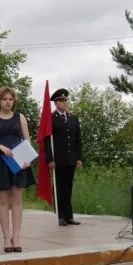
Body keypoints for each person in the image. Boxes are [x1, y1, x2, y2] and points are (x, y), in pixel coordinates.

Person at [0, 86, 36, 253]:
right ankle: (6, 238)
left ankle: (17, 237)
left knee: (18, 200)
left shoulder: (20, 118)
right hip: (0, 162)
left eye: (10, 99)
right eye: (5, 99)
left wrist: (27, 159)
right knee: (3, 201)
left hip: (19, 162)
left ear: (14, 101)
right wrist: (0, 147)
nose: (8, 102)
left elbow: (27, 141)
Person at [44, 88, 82, 226]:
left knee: (68, 187)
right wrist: (50, 159)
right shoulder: (51, 119)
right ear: (55, 103)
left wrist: (79, 157)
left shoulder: (73, 118)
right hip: (58, 160)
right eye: (61, 100)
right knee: (60, 188)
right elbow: (48, 140)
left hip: (71, 158)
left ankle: (69, 216)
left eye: (66, 100)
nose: (64, 103)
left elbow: (78, 139)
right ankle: (61, 216)